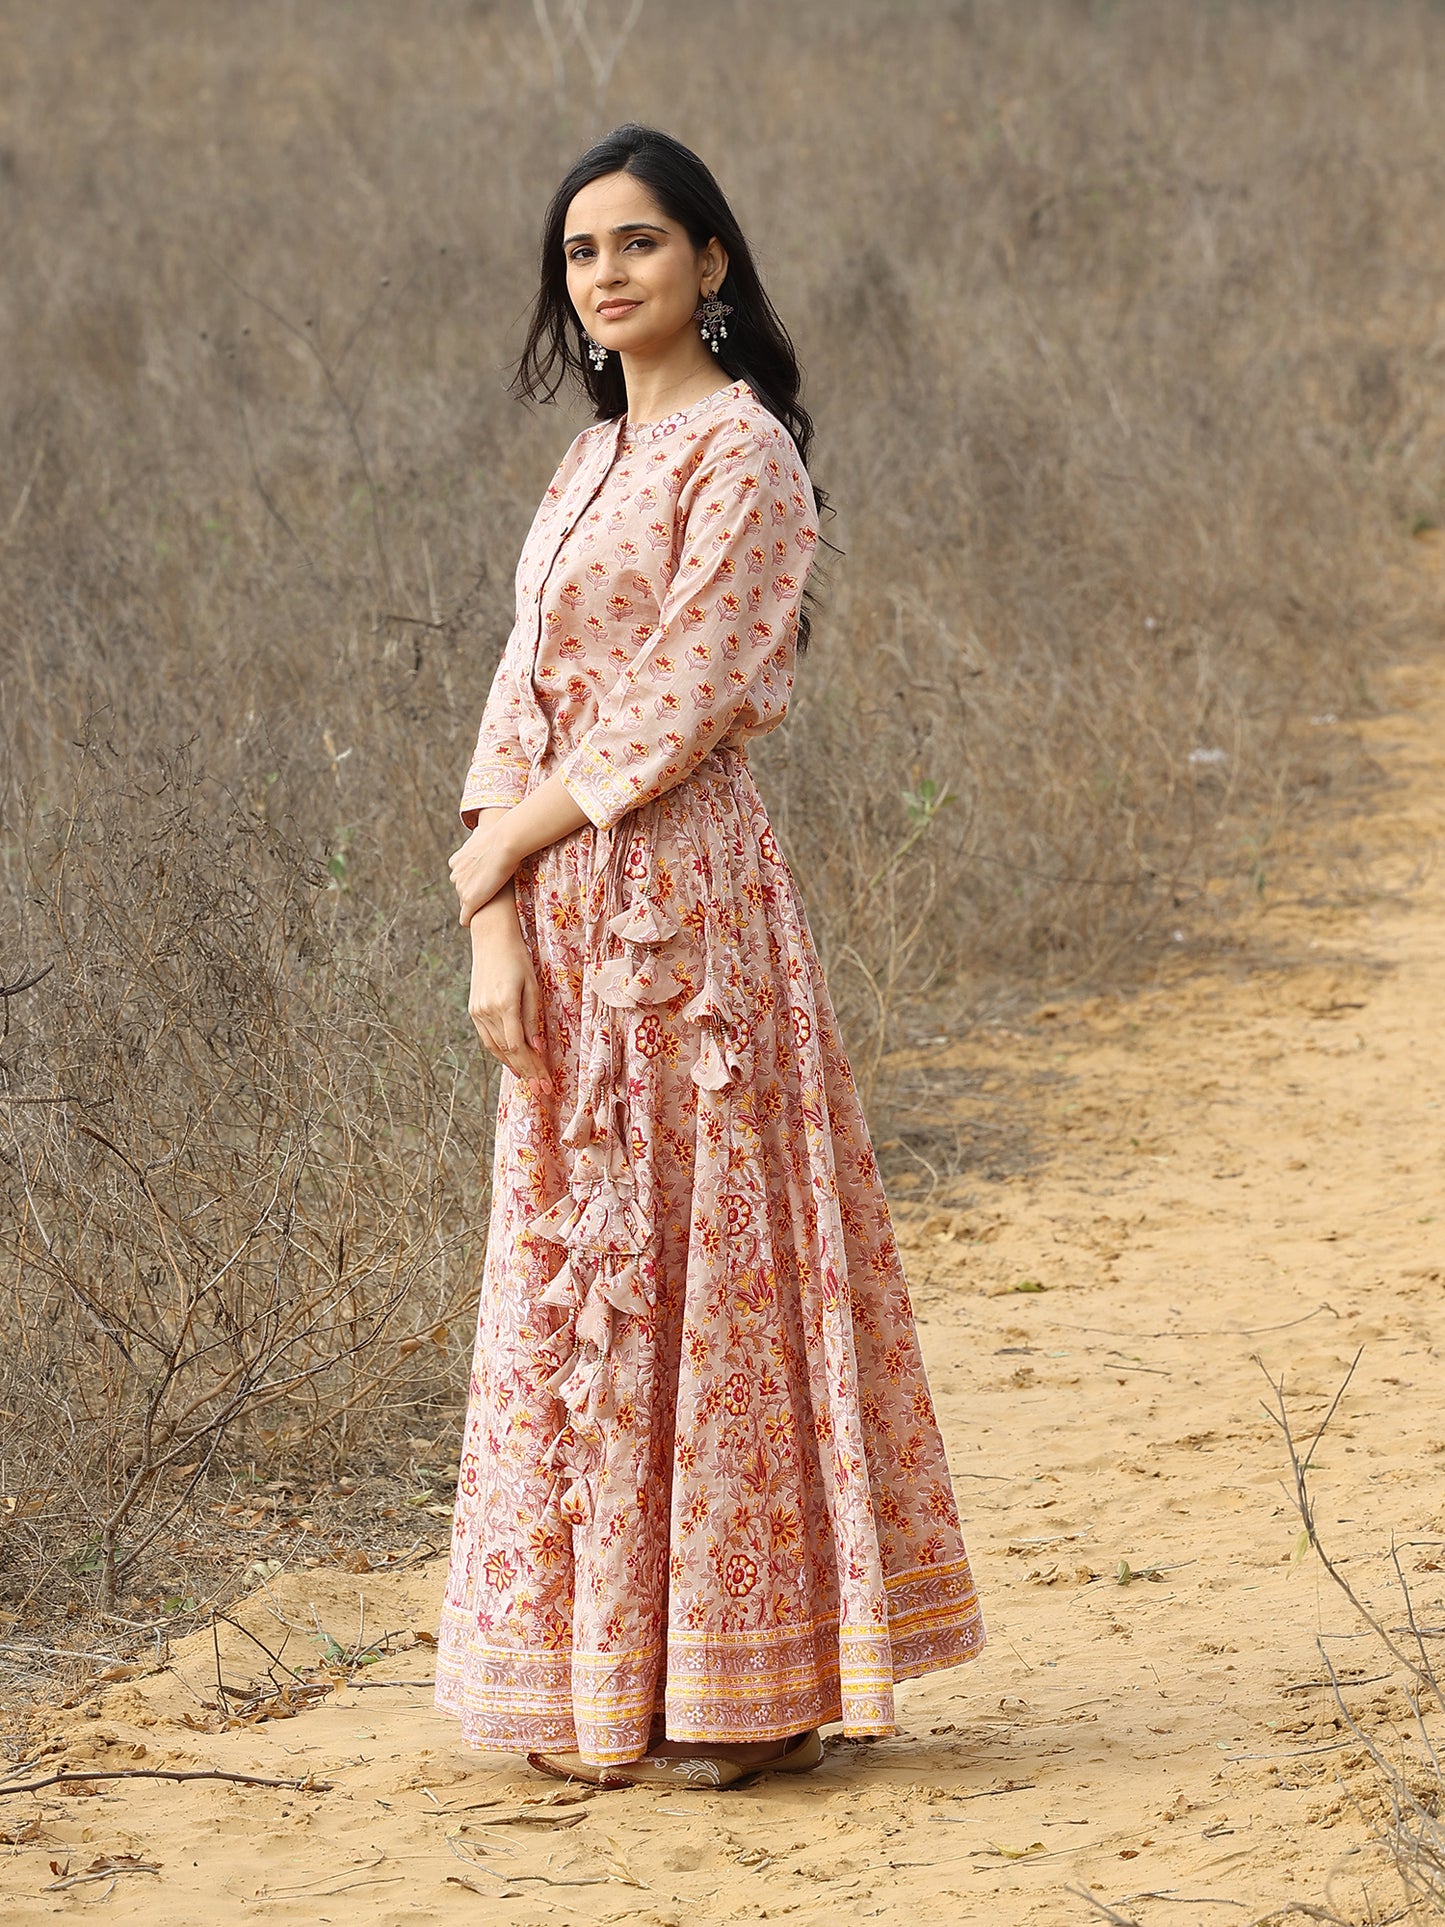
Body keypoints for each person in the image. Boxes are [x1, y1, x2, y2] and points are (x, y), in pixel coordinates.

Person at [434, 123, 984, 1791]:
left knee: (714, 1260)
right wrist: (490, 908)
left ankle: (756, 1690)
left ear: (712, 265)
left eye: (641, 245)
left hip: (683, 911)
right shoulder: (584, 463)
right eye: (582, 252)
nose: (607, 275)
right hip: (559, 903)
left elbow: (682, 694)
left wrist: (514, 842)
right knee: (586, 1270)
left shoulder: (743, 458)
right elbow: (519, 685)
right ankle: (616, 1677)